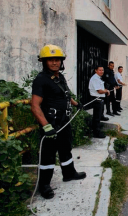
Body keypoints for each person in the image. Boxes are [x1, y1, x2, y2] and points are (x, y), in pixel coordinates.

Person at [31, 44, 86, 199]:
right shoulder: (41, 80)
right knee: (48, 155)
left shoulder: (59, 77)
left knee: (65, 149)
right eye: (50, 60)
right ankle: (44, 186)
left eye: (57, 60)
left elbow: (65, 95)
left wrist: (77, 104)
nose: (54, 63)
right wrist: (46, 126)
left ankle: (69, 174)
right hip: (50, 123)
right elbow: (34, 106)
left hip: (64, 121)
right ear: (44, 62)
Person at [89, 65, 110, 138]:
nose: (102, 72)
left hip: (99, 99)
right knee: (96, 117)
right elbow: (99, 91)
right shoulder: (95, 78)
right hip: (96, 99)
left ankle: (95, 130)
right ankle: (96, 133)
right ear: (96, 70)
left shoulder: (98, 78)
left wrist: (105, 91)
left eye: (102, 70)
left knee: (98, 116)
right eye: (100, 70)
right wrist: (106, 91)